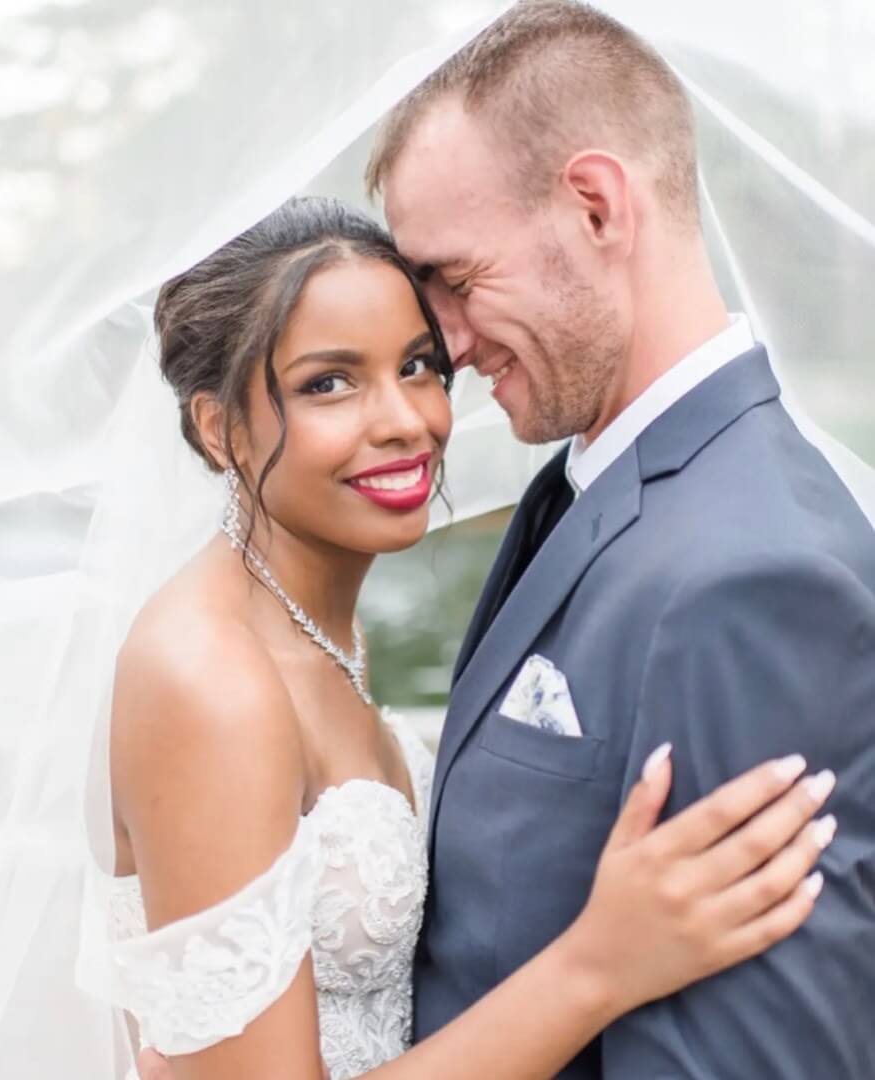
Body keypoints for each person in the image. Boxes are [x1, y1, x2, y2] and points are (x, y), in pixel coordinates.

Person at [106, 195, 833, 1080]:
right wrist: (599, 964)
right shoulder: (208, 676)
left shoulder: (319, 630)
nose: (405, 419)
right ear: (218, 428)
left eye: (417, 366)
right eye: (328, 383)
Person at [363, 1, 875, 1076]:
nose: (444, 344)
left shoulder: (751, 576)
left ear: (596, 205)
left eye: (456, 280)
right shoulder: (595, 484)